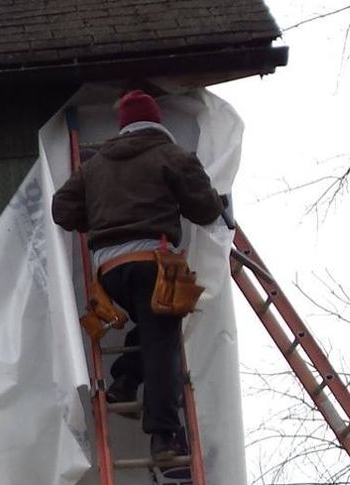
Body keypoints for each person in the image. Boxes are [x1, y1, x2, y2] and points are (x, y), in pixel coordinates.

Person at [51, 89, 225, 465]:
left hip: (110, 274)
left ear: (123, 126)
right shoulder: (172, 155)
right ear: (156, 122)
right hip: (154, 263)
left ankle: (125, 381)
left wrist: (100, 223)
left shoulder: (94, 166)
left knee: (150, 328)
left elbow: (62, 210)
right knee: (164, 343)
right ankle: (163, 435)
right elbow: (205, 209)